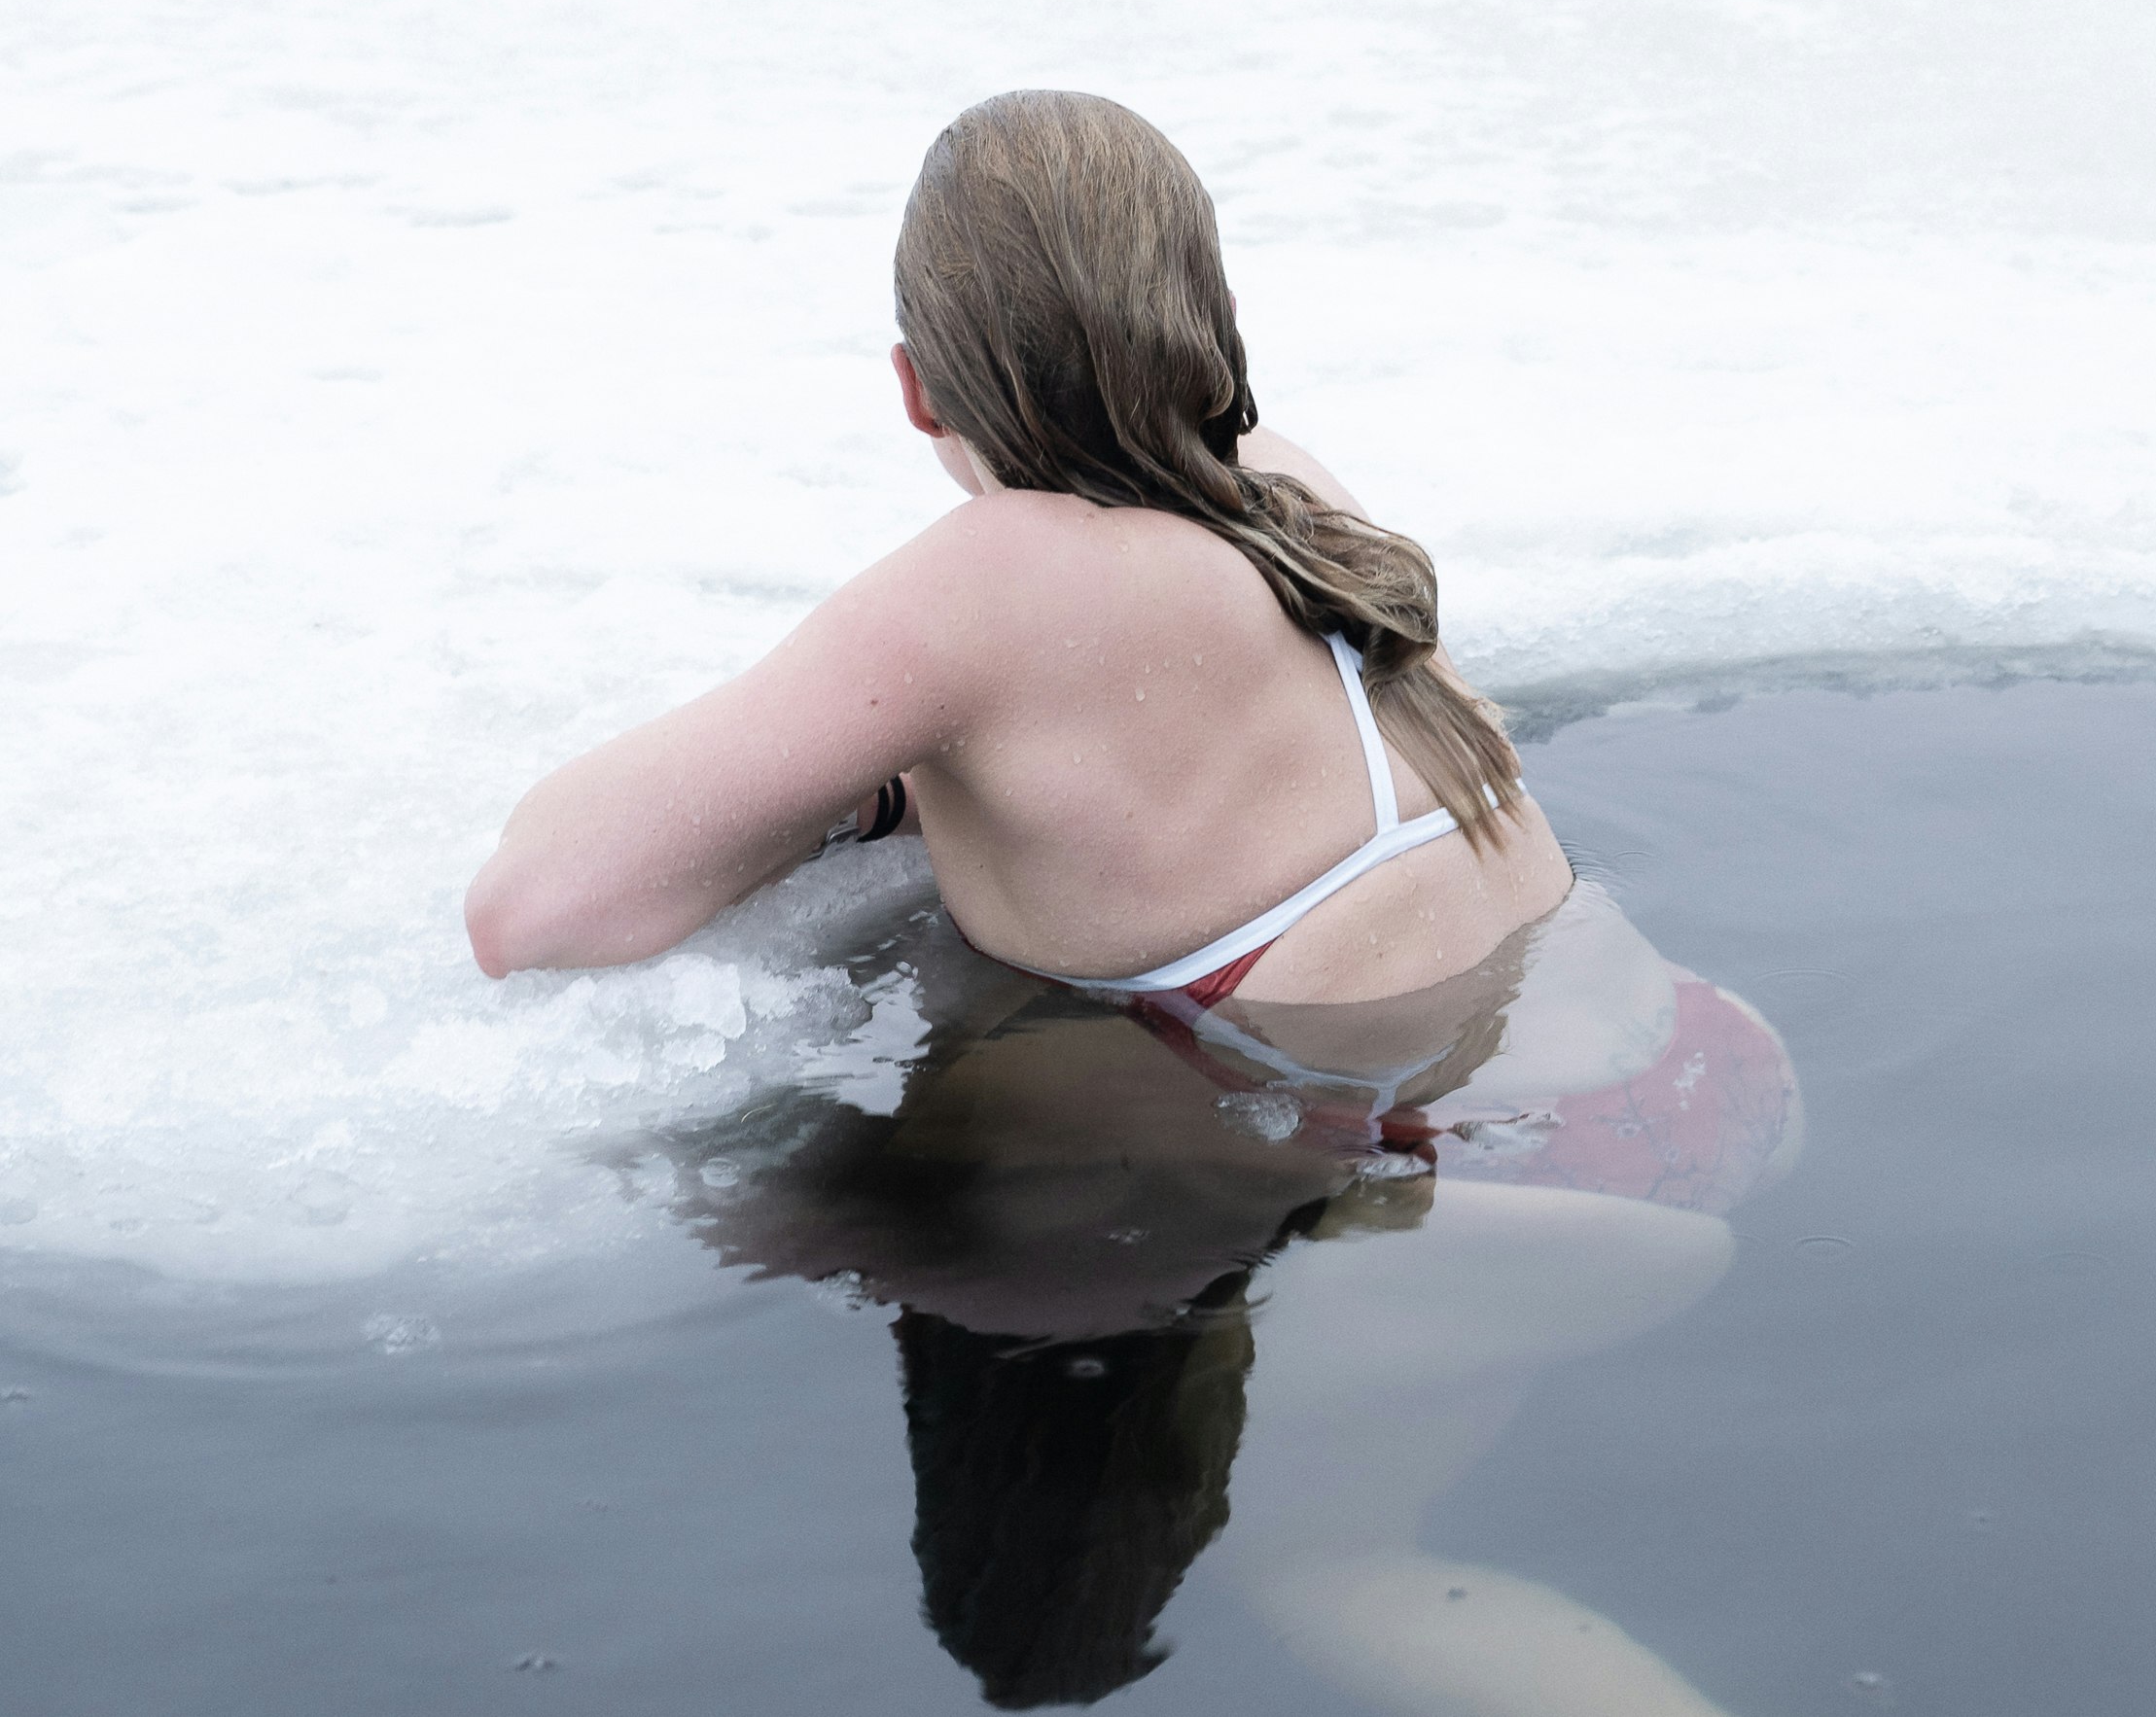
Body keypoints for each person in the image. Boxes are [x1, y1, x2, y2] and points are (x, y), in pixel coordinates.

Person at [470, 88, 1797, 1710]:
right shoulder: (1292, 491)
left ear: (911, 386)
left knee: (1340, 1568)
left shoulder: (990, 583)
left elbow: (538, 904)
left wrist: (878, 776)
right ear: (1206, 321)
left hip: (1488, 1192)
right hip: (1687, 1072)